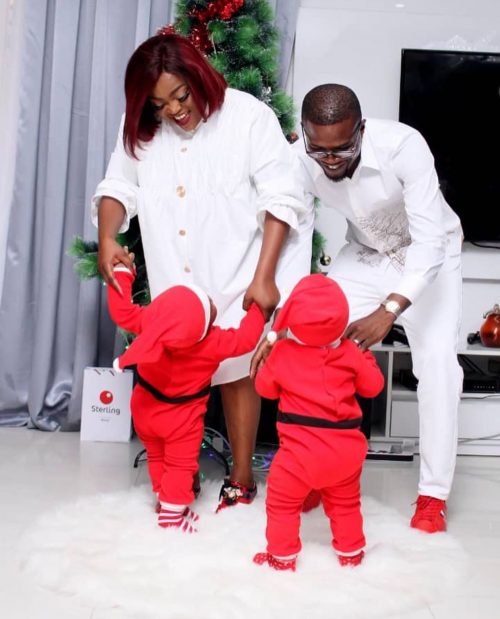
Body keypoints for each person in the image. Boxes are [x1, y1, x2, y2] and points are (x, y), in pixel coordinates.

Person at [91, 33, 313, 510]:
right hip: (178, 284)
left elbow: (282, 197)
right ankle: (180, 469)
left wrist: (265, 276)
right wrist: (108, 237)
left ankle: (241, 476)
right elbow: (117, 186)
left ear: (199, 77)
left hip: (236, 271)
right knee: (172, 377)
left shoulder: (248, 116)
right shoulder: (141, 129)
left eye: (181, 95)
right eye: (159, 104)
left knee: (236, 371)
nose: (173, 110)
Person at [292, 84, 463, 533]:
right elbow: (296, 235)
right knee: (312, 343)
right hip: (365, 254)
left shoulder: (404, 147)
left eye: (342, 148)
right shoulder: (299, 160)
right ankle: (320, 471)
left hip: (429, 254)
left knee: (438, 364)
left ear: (361, 130)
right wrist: (290, 312)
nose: (330, 160)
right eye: (319, 149)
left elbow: (429, 242)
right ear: (305, 134)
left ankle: (433, 496)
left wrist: (389, 309)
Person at [108, 264, 267, 530]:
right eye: (208, 306)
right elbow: (246, 339)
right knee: (179, 465)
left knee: (158, 457)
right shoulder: (211, 342)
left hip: (145, 409)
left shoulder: (152, 323)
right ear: (201, 328)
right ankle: (171, 516)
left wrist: (123, 273)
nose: (212, 303)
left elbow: (121, 311)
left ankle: (164, 501)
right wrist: (258, 310)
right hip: (180, 421)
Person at [252, 274, 384, 571]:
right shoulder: (351, 351)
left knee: (282, 504)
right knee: (346, 505)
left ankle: (281, 557)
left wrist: (271, 358)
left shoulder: (283, 352)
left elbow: (264, 389)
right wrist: (366, 357)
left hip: (298, 457)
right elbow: (373, 387)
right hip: (345, 454)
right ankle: (351, 553)